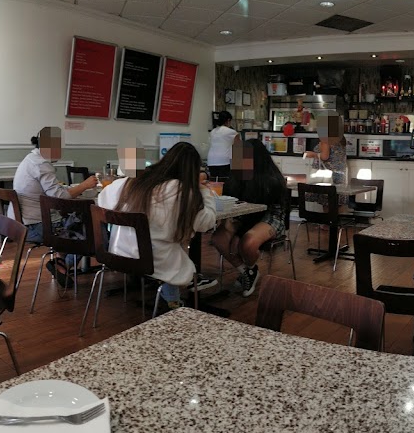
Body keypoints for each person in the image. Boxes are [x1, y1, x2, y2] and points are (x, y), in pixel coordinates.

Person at [97, 142, 216, 310]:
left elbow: (101, 201)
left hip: (117, 253)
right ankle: (174, 303)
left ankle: (170, 299)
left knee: (170, 247)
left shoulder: (130, 182)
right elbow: (207, 223)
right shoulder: (180, 191)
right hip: (152, 260)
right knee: (175, 251)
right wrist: (204, 191)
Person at [12, 126, 97, 286]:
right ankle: (64, 265)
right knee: (88, 227)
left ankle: (60, 260)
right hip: (37, 228)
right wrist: (85, 185)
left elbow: (54, 191)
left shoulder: (31, 159)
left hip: (23, 223)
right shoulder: (41, 164)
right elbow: (60, 198)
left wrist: (69, 189)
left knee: (75, 221)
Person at [211, 139, 287, 297]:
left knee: (247, 242)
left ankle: (249, 270)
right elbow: (231, 198)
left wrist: (237, 234)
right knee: (219, 238)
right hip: (244, 214)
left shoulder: (270, 180)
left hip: (269, 215)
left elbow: (260, 209)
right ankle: (248, 271)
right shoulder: (236, 176)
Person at [206, 111, 238, 179]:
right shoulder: (232, 132)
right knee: (225, 181)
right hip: (224, 161)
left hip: (211, 161)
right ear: (228, 120)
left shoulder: (213, 131)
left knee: (214, 181)